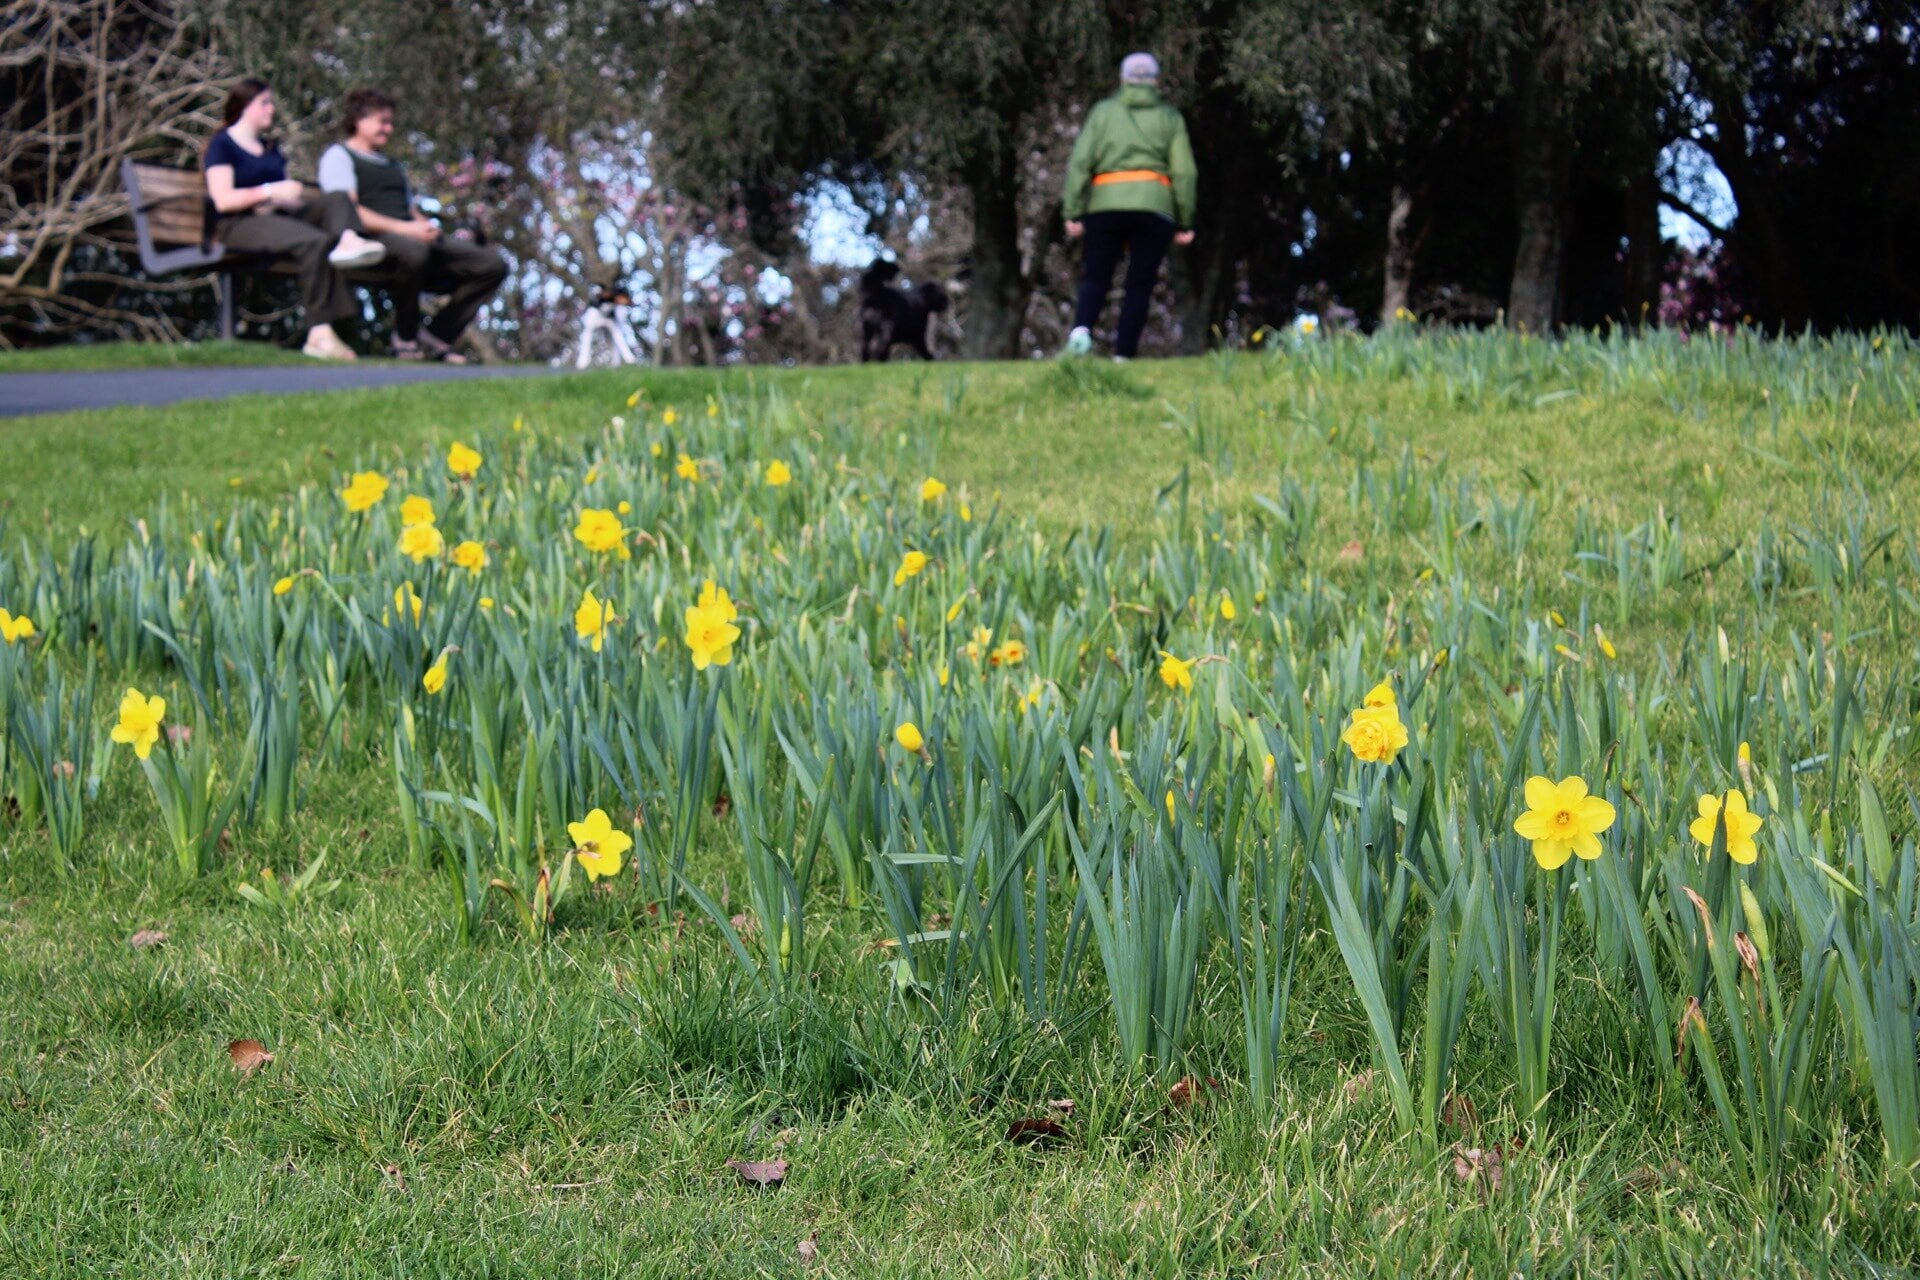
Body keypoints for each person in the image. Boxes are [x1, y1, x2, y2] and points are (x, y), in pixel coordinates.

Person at [202, 78, 387, 361]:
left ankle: (349, 240)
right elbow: (223, 200)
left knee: (337, 198)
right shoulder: (223, 144)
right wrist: (267, 191)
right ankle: (319, 334)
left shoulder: (270, 147)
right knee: (315, 242)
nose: (271, 109)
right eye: (264, 103)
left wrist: (284, 196)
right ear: (245, 106)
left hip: (276, 217)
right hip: (238, 225)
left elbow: (281, 196)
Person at [319, 88, 508, 363]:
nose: (389, 129)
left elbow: (408, 208)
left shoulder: (392, 165)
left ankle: (438, 335)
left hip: (412, 236)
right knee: (414, 252)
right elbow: (347, 210)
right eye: (382, 122)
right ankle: (404, 335)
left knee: (491, 265)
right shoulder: (339, 157)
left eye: (390, 122)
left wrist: (424, 226)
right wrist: (407, 230)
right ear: (359, 120)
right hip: (372, 239)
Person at [1060, 52, 1197, 361]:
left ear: (1122, 80)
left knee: (1096, 274)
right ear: (1156, 82)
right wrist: (1185, 221)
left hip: (1105, 202)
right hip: (1154, 205)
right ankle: (1123, 355)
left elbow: (1081, 163)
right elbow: (1185, 172)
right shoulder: (1169, 117)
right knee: (1139, 283)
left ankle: (1082, 330)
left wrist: (1073, 211)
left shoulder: (1103, 112)